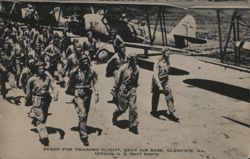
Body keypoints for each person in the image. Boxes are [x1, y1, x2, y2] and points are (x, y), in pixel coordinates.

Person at [67, 54, 99, 146]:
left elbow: (95, 82)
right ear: (80, 62)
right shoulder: (74, 71)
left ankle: (82, 126)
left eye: (87, 60)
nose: (85, 62)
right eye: (83, 60)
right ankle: (84, 137)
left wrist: (97, 94)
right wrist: (74, 93)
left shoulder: (92, 71)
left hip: (88, 94)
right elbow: (70, 85)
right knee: (83, 113)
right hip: (78, 93)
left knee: (85, 114)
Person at [26, 61, 58, 146]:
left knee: (44, 117)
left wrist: (55, 95)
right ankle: (44, 137)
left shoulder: (47, 78)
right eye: (39, 69)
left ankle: (38, 126)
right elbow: (28, 91)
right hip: (36, 99)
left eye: (43, 68)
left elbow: (54, 85)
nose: (41, 70)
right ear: (36, 70)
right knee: (40, 117)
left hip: (46, 100)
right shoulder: (32, 79)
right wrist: (28, 100)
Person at [112, 52, 139, 134]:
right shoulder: (123, 68)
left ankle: (133, 126)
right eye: (133, 59)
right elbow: (118, 80)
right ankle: (115, 115)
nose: (135, 61)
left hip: (132, 89)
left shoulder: (137, 68)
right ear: (129, 60)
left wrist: (134, 88)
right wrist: (116, 89)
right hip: (123, 89)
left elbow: (136, 80)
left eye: (135, 59)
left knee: (133, 107)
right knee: (122, 108)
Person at [151, 48, 179, 121]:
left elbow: (167, 71)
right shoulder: (157, 62)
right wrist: (159, 85)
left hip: (165, 81)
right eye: (168, 53)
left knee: (169, 95)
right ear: (164, 53)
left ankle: (172, 113)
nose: (169, 55)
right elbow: (155, 75)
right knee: (155, 96)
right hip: (158, 81)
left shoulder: (168, 61)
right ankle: (154, 111)